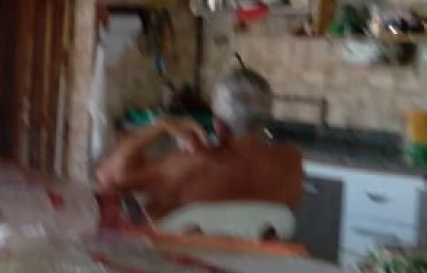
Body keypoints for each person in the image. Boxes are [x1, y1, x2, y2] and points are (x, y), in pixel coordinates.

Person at [95, 68, 303, 220]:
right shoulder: (291, 162)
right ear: (266, 117)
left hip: (183, 264)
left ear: (217, 120)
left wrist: (160, 125)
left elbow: (108, 177)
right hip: (257, 266)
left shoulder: (190, 164)